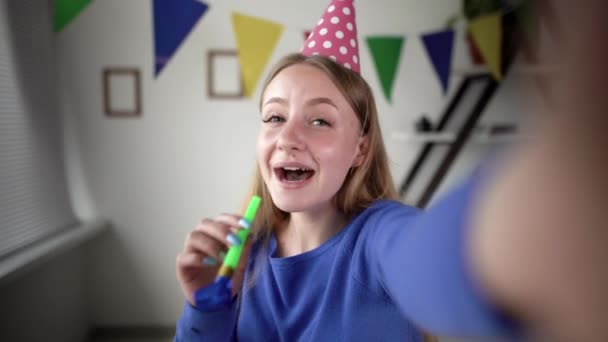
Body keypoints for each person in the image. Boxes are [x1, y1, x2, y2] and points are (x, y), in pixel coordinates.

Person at [175, 0, 608, 340]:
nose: (287, 136)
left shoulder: (379, 237)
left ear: (360, 149)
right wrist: (205, 307)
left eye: (320, 120)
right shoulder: (242, 257)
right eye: (273, 117)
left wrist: (530, 227)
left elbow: (424, 256)